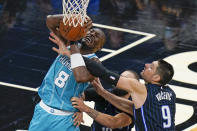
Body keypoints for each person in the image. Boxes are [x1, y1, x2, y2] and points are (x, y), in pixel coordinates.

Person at [60, 44, 176, 130]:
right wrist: (103, 92)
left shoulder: (141, 89)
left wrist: (73, 54)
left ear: (156, 78)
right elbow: (133, 107)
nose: (146, 65)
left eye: (151, 67)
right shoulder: (170, 94)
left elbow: (104, 73)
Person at [28, 14, 106, 131]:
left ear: (99, 48)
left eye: (96, 37)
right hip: (43, 110)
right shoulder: (68, 44)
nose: (91, 35)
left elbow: (80, 76)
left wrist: (72, 42)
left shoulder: (95, 62)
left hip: (66, 118)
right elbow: (50, 20)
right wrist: (74, 18)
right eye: (91, 31)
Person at [71, 70, 139, 130]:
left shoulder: (133, 106)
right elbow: (78, 95)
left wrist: (85, 108)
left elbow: (113, 122)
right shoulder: (103, 93)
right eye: (121, 78)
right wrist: (79, 110)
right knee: (67, 125)